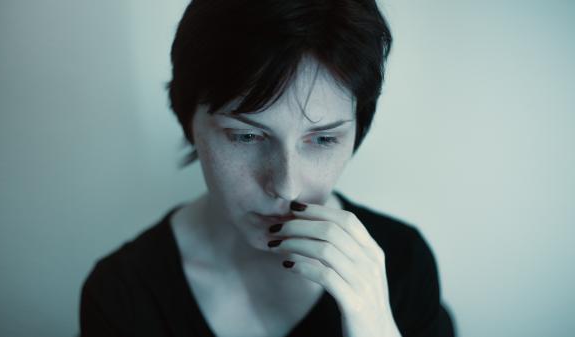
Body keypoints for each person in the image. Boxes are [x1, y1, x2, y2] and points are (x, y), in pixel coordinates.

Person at [79, 0, 456, 336]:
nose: (286, 187)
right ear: (188, 121)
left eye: (323, 139)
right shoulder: (122, 293)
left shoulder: (402, 265)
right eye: (246, 136)